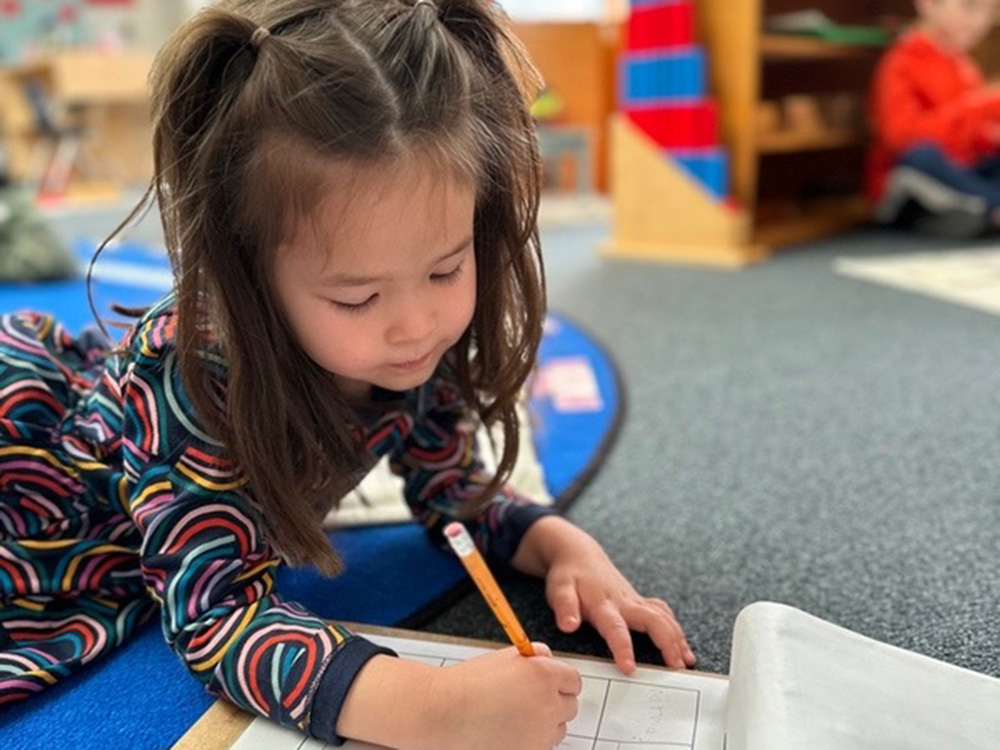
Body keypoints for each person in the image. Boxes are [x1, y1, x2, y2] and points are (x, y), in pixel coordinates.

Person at [0, 2, 695, 748]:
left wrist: (564, 547)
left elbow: (449, 490)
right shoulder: (192, 377)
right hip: (45, 515)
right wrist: (434, 712)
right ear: (250, 276)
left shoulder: (410, 346)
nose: (415, 323)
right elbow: (214, 615)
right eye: (357, 296)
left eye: (445, 268)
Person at [868, 0, 1000, 238]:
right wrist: (978, 106)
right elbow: (901, 138)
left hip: (961, 171)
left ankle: (975, 210)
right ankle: (986, 206)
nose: (980, 22)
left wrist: (989, 137)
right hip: (912, 176)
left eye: (990, 12)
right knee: (921, 157)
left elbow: (970, 139)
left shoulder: (965, 66)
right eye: (969, 7)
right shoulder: (902, 61)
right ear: (928, 4)